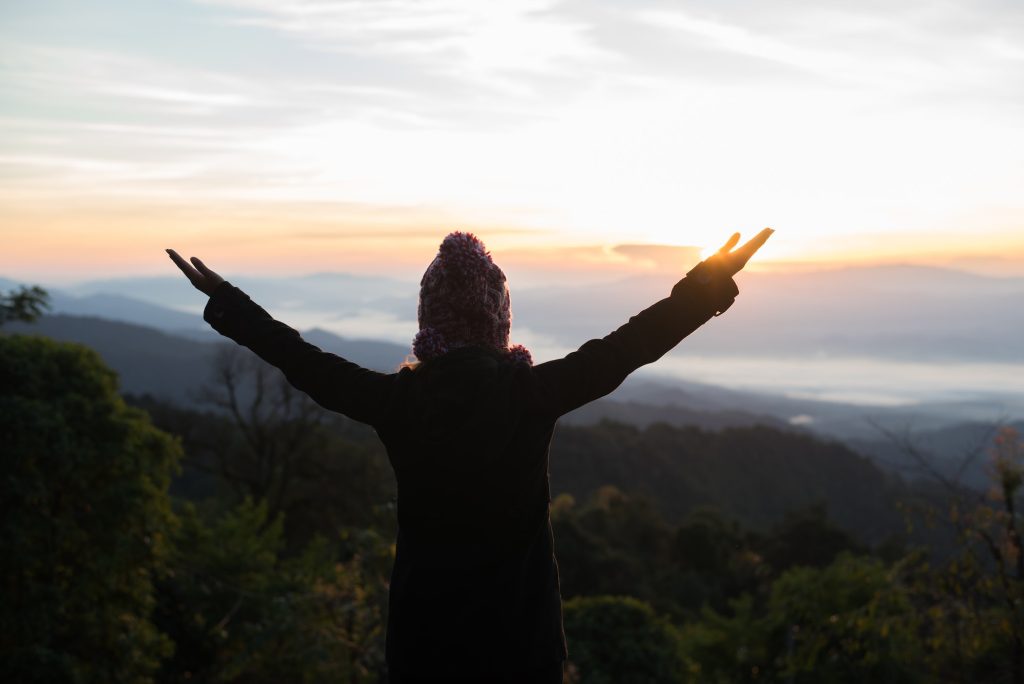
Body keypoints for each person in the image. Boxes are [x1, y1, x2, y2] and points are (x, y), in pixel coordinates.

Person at [167, 228, 773, 683]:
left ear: (429, 322)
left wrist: (227, 301)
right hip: (522, 647)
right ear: (499, 321)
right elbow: (630, 345)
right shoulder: (532, 396)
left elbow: (296, 357)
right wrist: (705, 286)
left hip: (422, 646)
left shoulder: (394, 402)